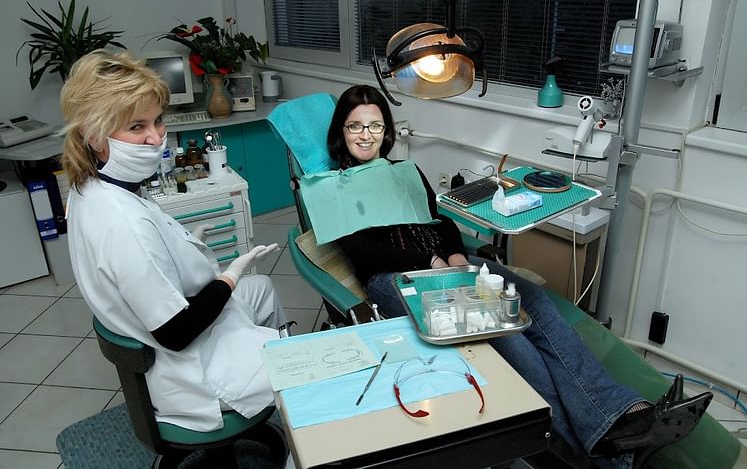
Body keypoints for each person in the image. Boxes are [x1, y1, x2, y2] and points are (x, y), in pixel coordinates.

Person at [327, 85, 712, 468]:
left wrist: (456, 255)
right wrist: (432, 261)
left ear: (386, 130)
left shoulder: (404, 171)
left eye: (375, 125)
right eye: (355, 126)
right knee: (513, 340)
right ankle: (606, 459)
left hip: (448, 263)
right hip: (397, 279)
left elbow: (439, 220)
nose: (366, 135)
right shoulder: (330, 188)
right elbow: (361, 251)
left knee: (537, 304)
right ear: (341, 131)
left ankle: (623, 417)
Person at [61, 50, 285, 433]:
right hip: (190, 369)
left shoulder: (89, 189)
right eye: (136, 127)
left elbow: (138, 267)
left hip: (161, 328)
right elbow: (176, 333)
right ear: (94, 136)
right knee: (307, 366)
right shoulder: (122, 222)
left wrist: (184, 248)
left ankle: (275, 392)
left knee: (261, 288)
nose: (156, 138)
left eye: (158, 120)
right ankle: (283, 399)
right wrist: (228, 278)